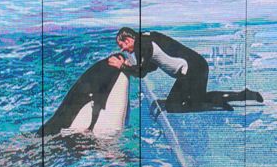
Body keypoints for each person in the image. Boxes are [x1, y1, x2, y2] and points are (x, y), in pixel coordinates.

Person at [108, 27, 263, 113]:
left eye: (122, 46)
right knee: (199, 98)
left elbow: (141, 73)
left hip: (191, 70)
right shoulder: (146, 39)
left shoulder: (141, 45)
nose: (124, 50)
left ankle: (217, 106)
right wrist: (130, 67)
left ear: (128, 39)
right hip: (198, 65)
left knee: (172, 106)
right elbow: (151, 66)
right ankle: (245, 95)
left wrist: (122, 66)